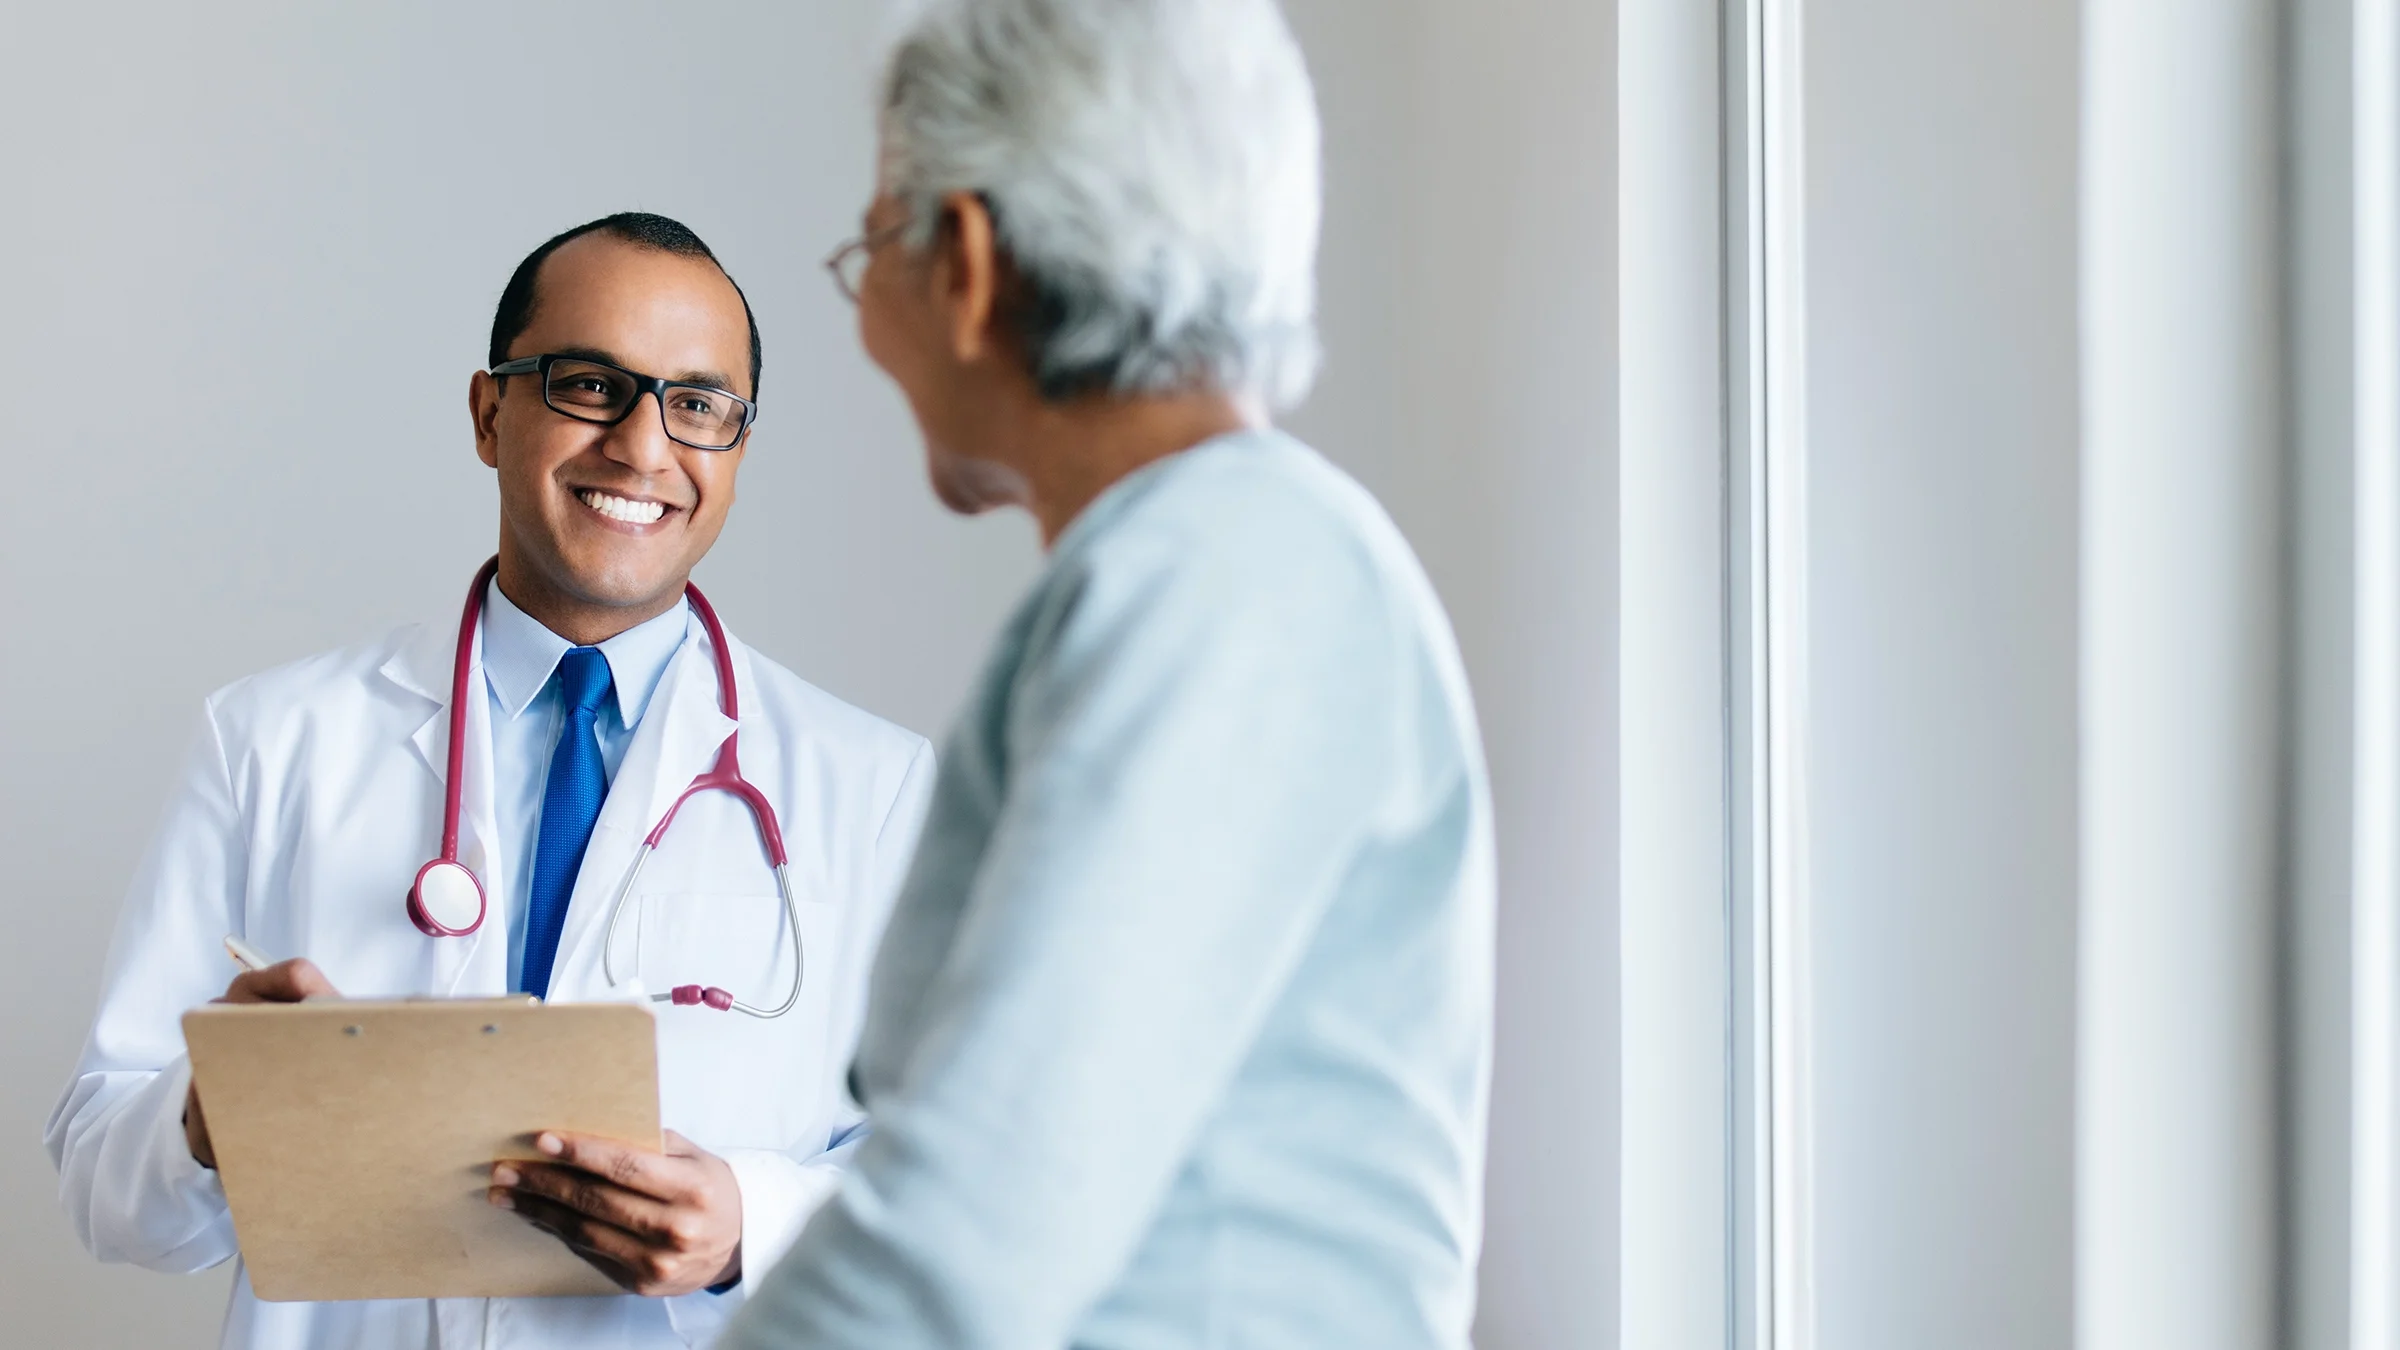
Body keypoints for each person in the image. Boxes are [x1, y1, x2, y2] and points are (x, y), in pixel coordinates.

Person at [722, 2, 1495, 1346]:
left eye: (871, 255)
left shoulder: (1232, 573)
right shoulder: (1205, 568)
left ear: (963, 261)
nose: (868, 324)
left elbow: (964, 1225)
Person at [47, 212, 935, 1350]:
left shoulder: (871, 786)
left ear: (738, 449)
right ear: (488, 413)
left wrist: (750, 1224)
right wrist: (211, 1115)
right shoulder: (273, 739)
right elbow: (103, 1184)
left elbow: (950, 1185)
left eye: (699, 404)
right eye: (590, 385)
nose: (643, 447)